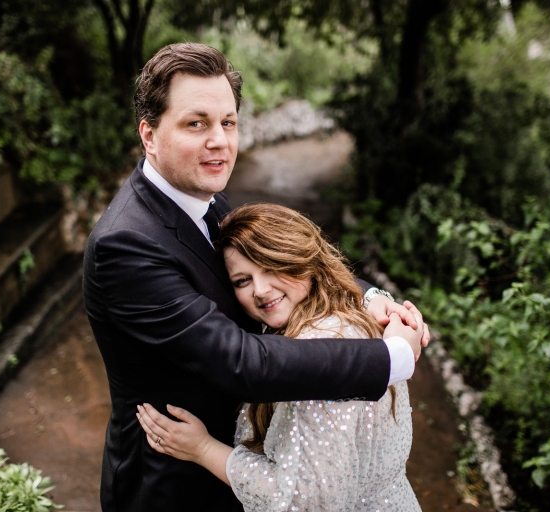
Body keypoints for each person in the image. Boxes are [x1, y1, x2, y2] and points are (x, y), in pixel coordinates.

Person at [82, 42, 429, 512]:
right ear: (149, 135)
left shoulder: (206, 198)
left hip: (242, 464)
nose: (219, 141)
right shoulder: (125, 244)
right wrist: (389, 359)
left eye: (228, 122)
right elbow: (241, 361)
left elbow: (288, 258)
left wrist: (369, 299)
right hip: (174, 485)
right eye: (196, 123)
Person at [136, 203, 421, 511]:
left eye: (271, 267)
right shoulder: (350, 314)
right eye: (242, 281)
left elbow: (303, 500)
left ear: (302, 260)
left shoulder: (314, 354)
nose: (260, 289)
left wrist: (203, 449)